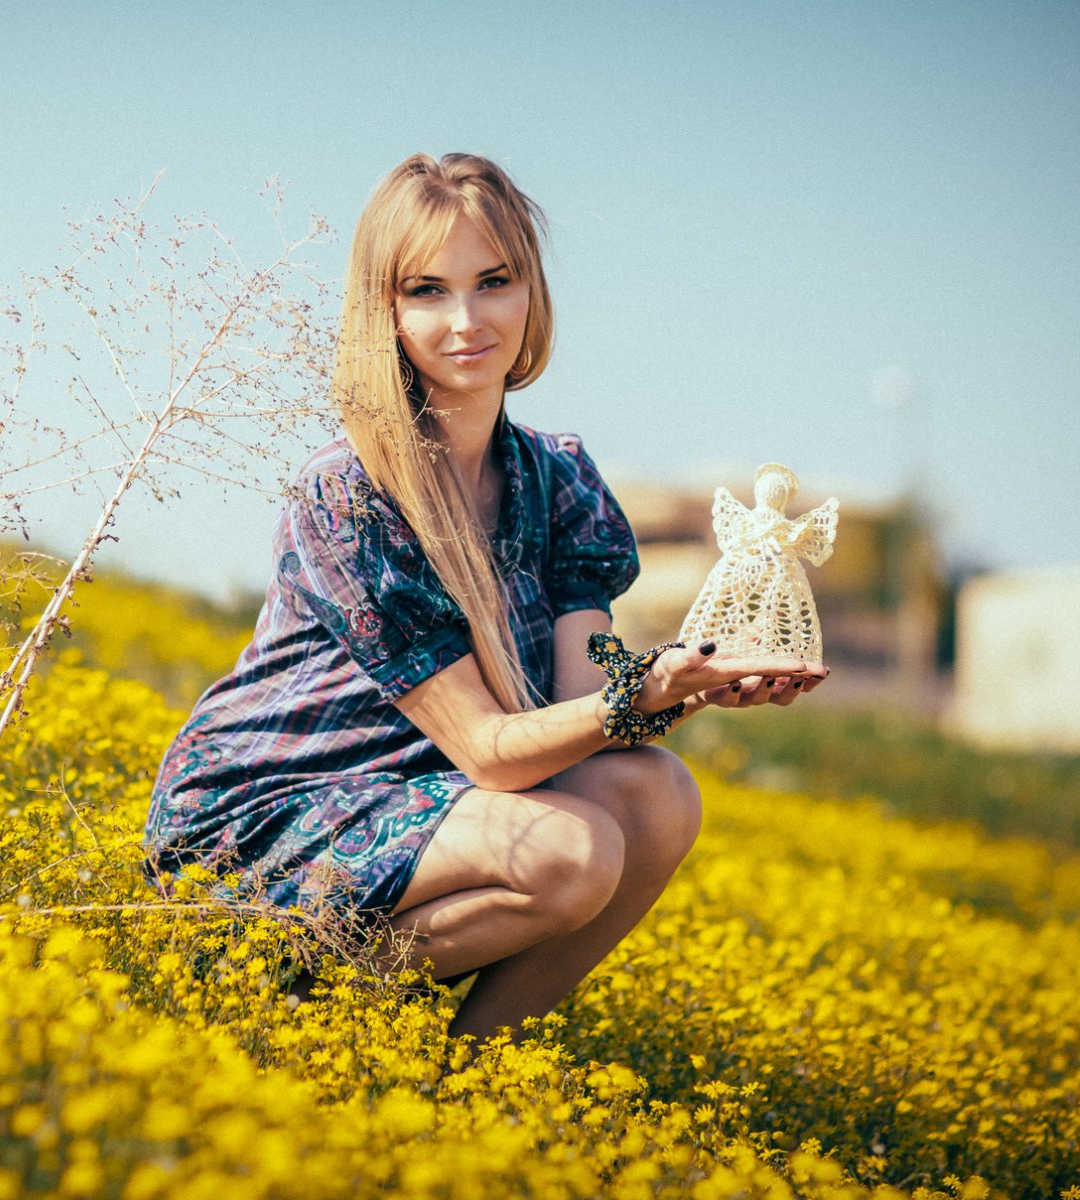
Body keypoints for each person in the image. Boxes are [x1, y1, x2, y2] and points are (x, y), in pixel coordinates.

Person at [143, 152, 827, 1040]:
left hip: (432, 794)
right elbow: (496, 755)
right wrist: (648, 689)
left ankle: (466, 1075)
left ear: (529, 291)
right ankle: (267, 1001)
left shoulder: (558, 478)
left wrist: (685, 682)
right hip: (276, 807)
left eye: (492, 282)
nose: (466, 320)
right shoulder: (348, 491)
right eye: (426, 290)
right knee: (569, 852)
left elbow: (584, 711)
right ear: (383, 312)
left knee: (654, 795)